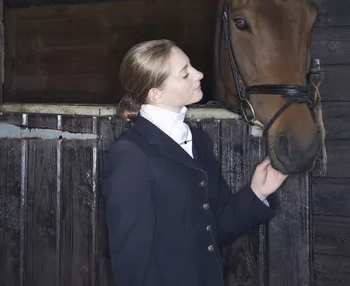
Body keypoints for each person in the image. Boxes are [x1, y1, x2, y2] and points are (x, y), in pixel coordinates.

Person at [101, 39, 288, 286]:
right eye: (185, 73)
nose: (199, 74)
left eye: (192, 66)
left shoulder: (196, 139)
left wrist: (257, 192)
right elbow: (132, 263)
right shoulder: (130, 156)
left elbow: (214, 227)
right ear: (156, 94)